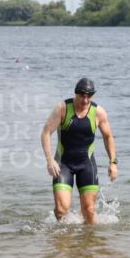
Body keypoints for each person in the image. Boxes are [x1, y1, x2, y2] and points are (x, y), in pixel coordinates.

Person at [40, 78, 117, 225]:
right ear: (76, 94)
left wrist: (113, 162)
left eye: (89, 96)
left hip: (86, 164)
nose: (86, 99)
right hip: (63, 164)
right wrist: (50, 160)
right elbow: (45, 133)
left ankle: (89, 243)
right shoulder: (63, 108)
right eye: (82, 95)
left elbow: (108, 137)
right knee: (62, 210)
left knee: (88, 211)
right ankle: (62, 242)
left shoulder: (98, 112)